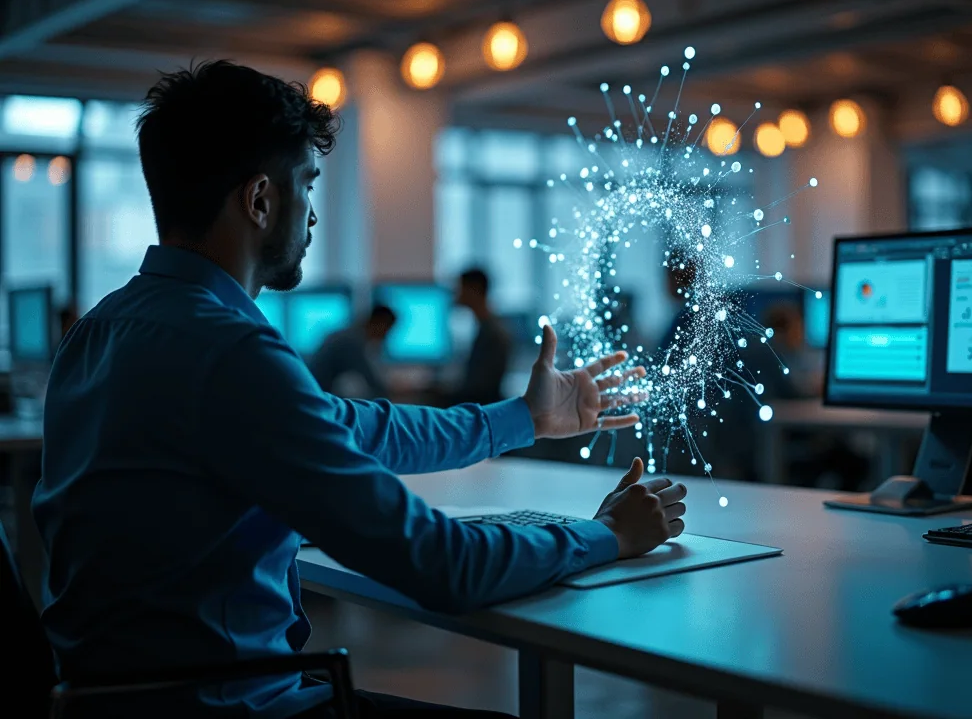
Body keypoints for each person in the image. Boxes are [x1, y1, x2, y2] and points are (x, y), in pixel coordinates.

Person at [32, 61, 686, 719]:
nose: (312, 216)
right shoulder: (230, 352)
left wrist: (523, 417)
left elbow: (360, 427)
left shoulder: (97, 333)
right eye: (307, 186)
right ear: (260, 200)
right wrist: (607, 536)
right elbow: (442, 565)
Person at [446, 268, 511, 407]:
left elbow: (478, 390)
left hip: (480, 411)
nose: (455, 293)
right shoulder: (487, 327)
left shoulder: (492, 334)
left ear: (473, 290)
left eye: (459, 287)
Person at [307, 304, 396, 398]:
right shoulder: (352, 341)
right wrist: (389, 399)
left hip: (318, 391)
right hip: (318, 394)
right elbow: (369, 378)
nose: (386, 336)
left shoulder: (349, 335)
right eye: (387, 329)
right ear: (379, 323)